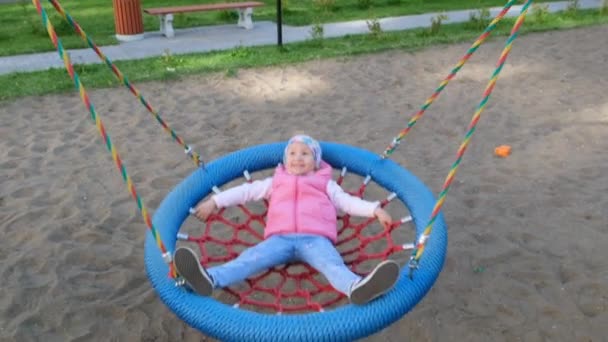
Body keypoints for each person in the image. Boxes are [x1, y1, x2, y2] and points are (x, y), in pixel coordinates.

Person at [174, 134, 400, 305]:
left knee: (332, 265)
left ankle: (356, 287)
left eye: (305, 153)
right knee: (249, 259)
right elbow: (245, 191)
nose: (297, 158)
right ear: (285, 159)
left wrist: (374, 209)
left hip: (316, 239)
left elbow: (347, 202)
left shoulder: (325, 184)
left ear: (316, 160)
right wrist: (215, 201)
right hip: (279, 239)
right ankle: (209, 278)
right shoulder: (276, 181)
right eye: (292, 153)